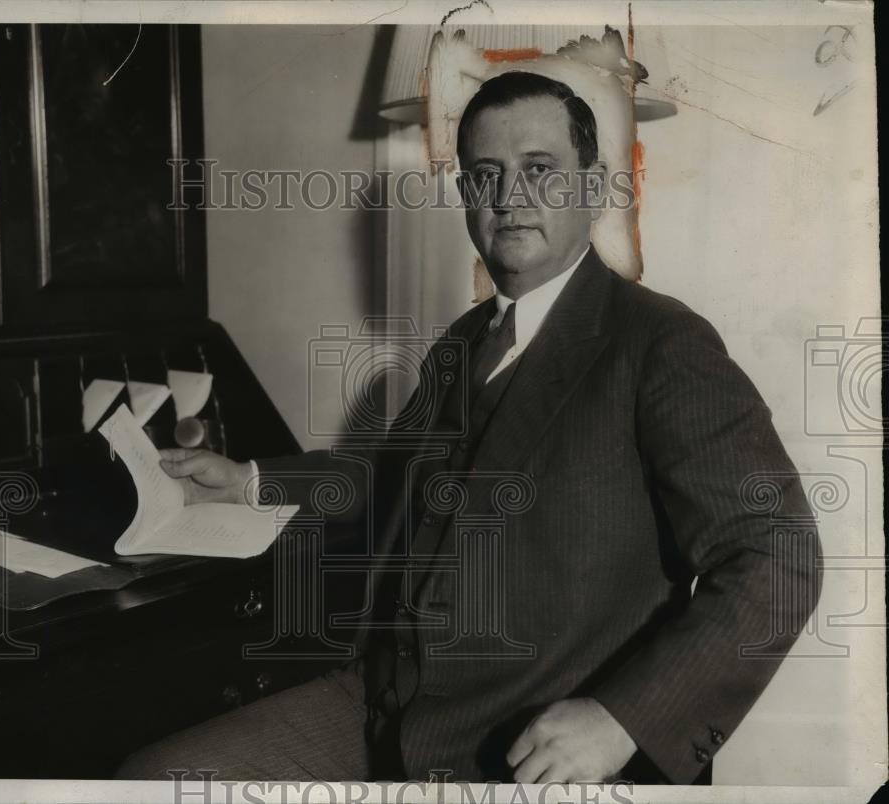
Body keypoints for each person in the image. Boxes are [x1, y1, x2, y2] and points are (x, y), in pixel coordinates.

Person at [116, 71, 821, 785]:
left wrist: (621, 721)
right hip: (386, 707)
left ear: (593, 187)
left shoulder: (661, 342)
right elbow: (391, 481)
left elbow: (779, 553)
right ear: (465, 198)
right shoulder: (461, 343)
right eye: (486, 175)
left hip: (524, 743)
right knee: (154, 779)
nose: (509, 196)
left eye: (539, 170)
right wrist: (249, 480)